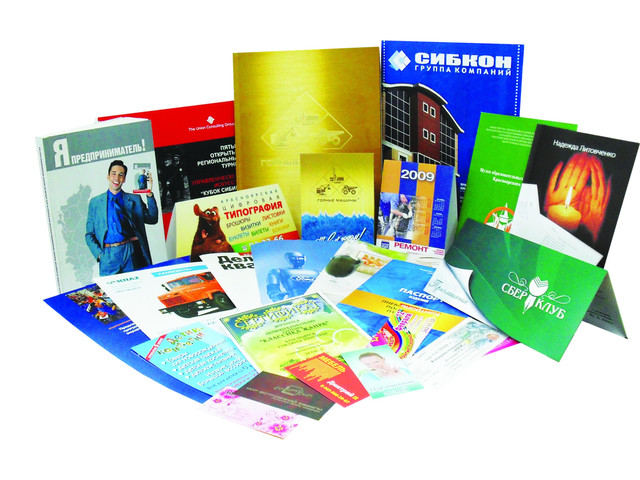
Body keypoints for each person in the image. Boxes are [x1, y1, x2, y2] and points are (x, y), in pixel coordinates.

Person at [85, 159, 158, 276]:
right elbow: (89, 234)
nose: (117, 178)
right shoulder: (95, 203)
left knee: (135, 285)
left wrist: (149, 194)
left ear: (124, 179)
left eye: (121, 175)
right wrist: (99, 255)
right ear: (108, 176)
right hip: (108, 256)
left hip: (129, 253)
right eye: (113, 174)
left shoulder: (134, 199)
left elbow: (152, 219)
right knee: (110, 288)